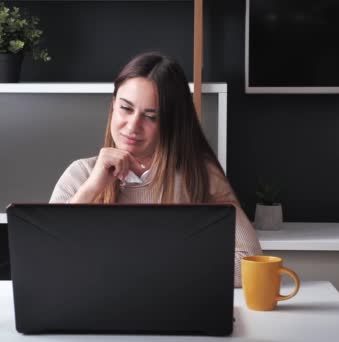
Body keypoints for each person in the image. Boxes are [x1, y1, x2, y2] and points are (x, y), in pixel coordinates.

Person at [50, 52, 262, 287]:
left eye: (151, 117)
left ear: (172, 124)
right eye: (125, 109)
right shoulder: (80, 174)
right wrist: (90, 190)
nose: (132, 126)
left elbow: (250, 263)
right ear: (113, 106)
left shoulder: (200, 177)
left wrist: (148, 271)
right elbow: (46, 261)